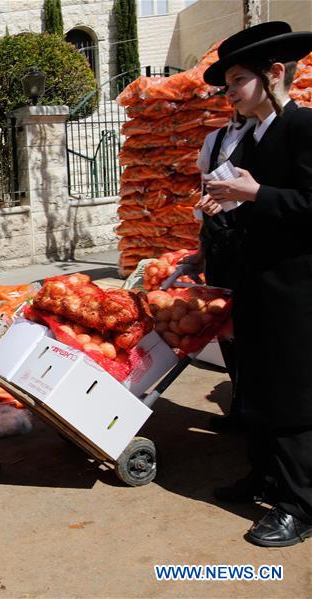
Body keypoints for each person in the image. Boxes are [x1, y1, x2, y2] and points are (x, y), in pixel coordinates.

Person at [197, 21, 312, 547]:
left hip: (297, 291)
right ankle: (264, 476)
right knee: (259, 388)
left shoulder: (303, 127)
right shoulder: (249, 139)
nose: (231, 93)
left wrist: (257, 194)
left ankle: (298, 504)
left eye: (239, 80)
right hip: (258, 285)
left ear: (275, 74)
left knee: (292, 397)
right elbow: (251, 205)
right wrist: (223, 209)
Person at [179, 112, 256, 433]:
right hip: (221, 249)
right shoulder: (214, 141)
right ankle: (240, 407)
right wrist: (201, 251)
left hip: (254, 249)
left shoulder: (268, 137)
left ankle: (255, 412)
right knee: (227, 330)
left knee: (255, 331)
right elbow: (204, 199)